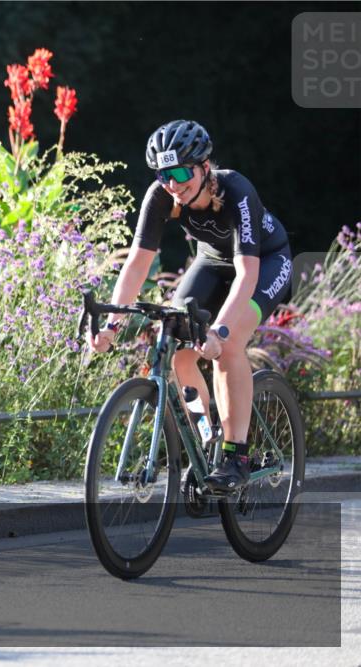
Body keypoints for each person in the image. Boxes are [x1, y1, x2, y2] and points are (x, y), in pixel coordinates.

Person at [87, 119, 292, 492]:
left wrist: (220, 330)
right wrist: (112, 325)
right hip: (212, 262)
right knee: (181, 351)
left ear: (204, 166)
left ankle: (236, 456)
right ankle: (206, 440)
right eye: (164, 173)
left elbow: (247, 275)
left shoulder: (236, 190)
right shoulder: (162, 196)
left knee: (226, 347)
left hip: (265, 263)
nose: (173, 183)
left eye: (181, 171)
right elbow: (136, 263)